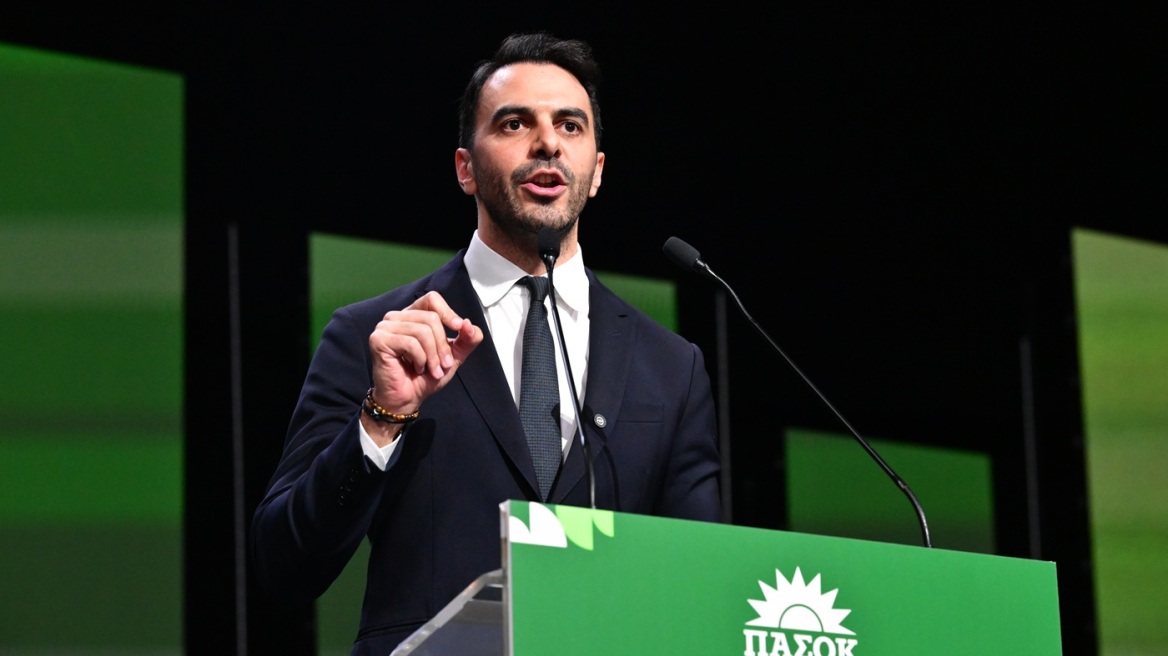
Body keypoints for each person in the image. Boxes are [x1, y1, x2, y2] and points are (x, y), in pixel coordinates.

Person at [250, 32, 722, 655]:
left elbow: (701, 582)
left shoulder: (671, 366)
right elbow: (283, 565)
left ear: (597, 173)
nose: (548, 143)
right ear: (465, 169)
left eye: (570, 125)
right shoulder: (376, 336)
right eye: (514, 123)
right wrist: (382, 418)